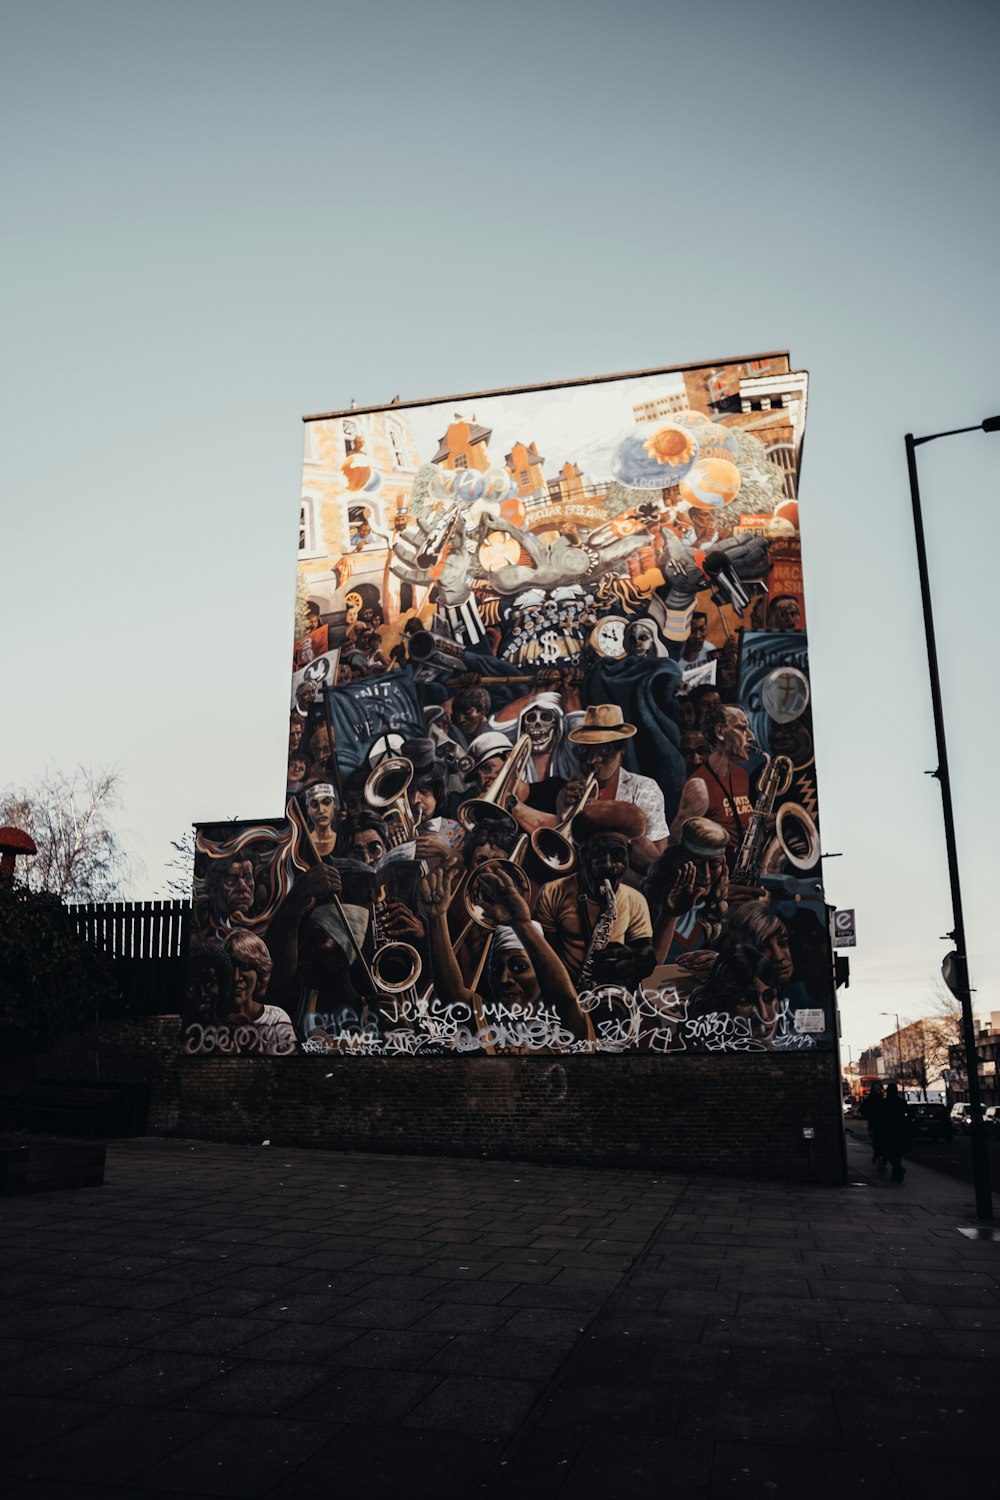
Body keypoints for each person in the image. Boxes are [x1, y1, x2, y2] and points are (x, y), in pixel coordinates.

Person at [419, 861, 591, 1052]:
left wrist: (521, 924)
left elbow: (565, 999)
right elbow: (453, 994)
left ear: (542, 972)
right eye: (497, 968)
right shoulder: (490, 1020)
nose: (504, 979)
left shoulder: (563, 1023)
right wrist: (437, 918)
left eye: (519, 967)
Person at [534, 801, 656, 993]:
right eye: (598, 854)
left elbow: (647, 952)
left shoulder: (635, 900)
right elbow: (541, 956)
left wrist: (638, 960)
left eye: (617, 855)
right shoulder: (553, 892)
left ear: (628, 856)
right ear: (583, 855)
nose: (608, 865)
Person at [670, 704, 755, 858]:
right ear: (720, 732)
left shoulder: (741, 775)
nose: (751, 737)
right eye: (742, 729)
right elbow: (676, 842)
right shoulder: (699, 785)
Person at [221, 931, 297, 1055]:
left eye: (245, 967)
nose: (236, 977)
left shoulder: (276, 1018)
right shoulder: (214, 1018)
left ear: (259, 973)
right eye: (231, 967)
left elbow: (290, 1067)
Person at [876, 1081, 912, 1182]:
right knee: (897, 1152)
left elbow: (878, 1118)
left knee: (887, 1151)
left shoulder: (883, 1103)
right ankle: (897, 1172)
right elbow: (910, 1114)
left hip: (886, 1131)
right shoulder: (901, 1102)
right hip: (900, 1130)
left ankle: (898, 1170)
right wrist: (905, 1121)